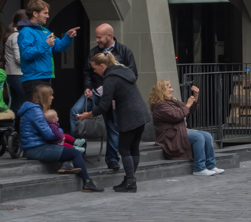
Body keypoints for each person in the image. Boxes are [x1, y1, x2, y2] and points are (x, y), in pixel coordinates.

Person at [77, 52, 151, 193]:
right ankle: (130, 179)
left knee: (123, 149)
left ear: (102, 65)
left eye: (95, 68)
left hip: (129, 116)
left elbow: (104, 105)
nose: (94, 71)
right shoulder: (124, 72)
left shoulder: (110, 79)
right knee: (134, 148)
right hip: (141, 113)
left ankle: (130, 182)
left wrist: (88, 114)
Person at [71, 23, 137, 172]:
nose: (97, 40)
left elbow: (132, 74)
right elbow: (88, 72)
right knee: (75, 111)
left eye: (99, 37)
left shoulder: (125, 51)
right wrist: (87, 87)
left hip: (113, 95)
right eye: (96, 37)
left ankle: (112, 158)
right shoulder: (94, 52)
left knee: (112, 125)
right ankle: (78, 147)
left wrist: (118, 91)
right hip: (95, 91)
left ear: (109, 36)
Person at [18, 85, 102, 192]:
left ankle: (66, 164)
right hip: (36, 149)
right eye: (50, 95)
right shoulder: (36, 111)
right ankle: (87, 182)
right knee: (75, 153)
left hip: (35, 146)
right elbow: (50, 134)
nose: (52, 97)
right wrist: (61, 132)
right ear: (44, 97)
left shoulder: (32, 110)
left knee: (69, 150)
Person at [149, 80, 222, 177]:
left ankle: (211, 165)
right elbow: (177, 115)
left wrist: (195, 97)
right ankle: (199, 168)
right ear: (162, 91)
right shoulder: (160, 106)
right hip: (171, 135)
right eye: (169, 87)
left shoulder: (172, 102)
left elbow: (188, 110)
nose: (172, 90)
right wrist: (187, 104)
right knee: (198, 137)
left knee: (207, 135)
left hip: (181, 130)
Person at [16, 0, 79, 99]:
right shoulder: (26, 32)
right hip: (33, 79)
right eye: (45, 13)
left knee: (45, 111)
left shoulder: (45, 31)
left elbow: (59, 46)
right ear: (35, 13)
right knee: (36, 112)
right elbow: (26, 54)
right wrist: (45, 45)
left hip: (46, 77)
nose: (48, 16)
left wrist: (68, 37)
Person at [3, 10, 27, 109]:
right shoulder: (17, 36)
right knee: (26, 104)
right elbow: (18, 59)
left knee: (15, 105)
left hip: (11, 75)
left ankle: (12, 125)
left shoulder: (12, 35)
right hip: (18, 75)